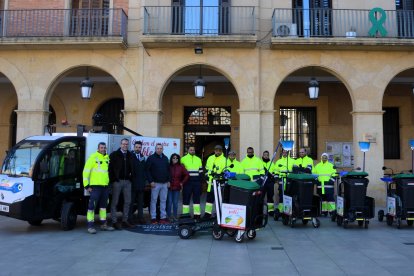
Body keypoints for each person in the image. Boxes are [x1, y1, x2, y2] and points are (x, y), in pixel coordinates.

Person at [82, 142, 114, 234]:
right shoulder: (93, 157)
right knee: (92, 207)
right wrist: (86, 185)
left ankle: (104, 224)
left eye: (104, 147)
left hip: (105, 187)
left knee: (104, 207)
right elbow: (85, 172)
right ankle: (90, 226)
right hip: (95, 187)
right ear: (98, 148)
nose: (103, 149)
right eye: (101, 147)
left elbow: (107, 173)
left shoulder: (107, 158)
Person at [109, 138, 135, 230]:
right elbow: (110, 169)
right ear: (120, 145)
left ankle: (125, 220)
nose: (125, 146)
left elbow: (133, 168)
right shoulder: (114, 155)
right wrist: (113, 180)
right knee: (114, 202)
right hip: (117, 181)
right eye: (123, 144)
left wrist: (131, 178)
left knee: (127, 201)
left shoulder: (130, 155)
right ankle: (114, 221)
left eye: (127, 144)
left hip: (128, 182)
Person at [146, 143, 171, 224]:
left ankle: (163, 217)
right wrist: (151, 181)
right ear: (155, 149)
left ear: (163, 149)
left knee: (163, 201)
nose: (159, 150)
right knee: (154, 201)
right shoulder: (151, 158)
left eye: (161, 148)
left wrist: (168, 181)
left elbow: (168, 171)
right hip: (155, 184)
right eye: (158, 148)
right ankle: (153, 217)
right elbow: (147, 170)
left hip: (164, 184)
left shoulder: (165, 158)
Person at [204, 145, 226, 219]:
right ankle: (207, 214)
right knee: (209, 200)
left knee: (219, 200)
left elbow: (225, 171)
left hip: (219, 183)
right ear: (214, 150)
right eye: (216, 150)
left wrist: (221, 177)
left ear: (222, 151)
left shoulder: (224, 159)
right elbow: (207, 169)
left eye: (219, 150)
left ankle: (218, 214)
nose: (218, 151)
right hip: (210, 183)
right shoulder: (210, 158)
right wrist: (207, 177)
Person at [180, 145, 203, 219]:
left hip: (197, 182)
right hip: (187, 182)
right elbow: (181, 172)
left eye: (193, 150)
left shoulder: (198, 159)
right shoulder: (183, 159)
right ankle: (185, 215)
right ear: (188, 150)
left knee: (197, 199)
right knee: (186, 199)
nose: (192, 151)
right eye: (191, 150)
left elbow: (201, 171)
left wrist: (200, 182)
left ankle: (197, 215)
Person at [167, 153, 189, 221]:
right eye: (173, 158)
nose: (175, 159)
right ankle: (169, 217)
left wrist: (182, 182)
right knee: (169, 202)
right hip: (169, 187)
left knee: (175, 203)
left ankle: (175, 216)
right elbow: (165, 174)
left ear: (178, 159)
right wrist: (167, 181)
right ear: (171, 159)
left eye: (176, 158)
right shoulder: (168, 166)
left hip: (177, 187)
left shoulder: (181, 166)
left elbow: (187, 175)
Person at [130, 141, 147, 225]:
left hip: (141, 184)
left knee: (140, 203)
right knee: (131, 202)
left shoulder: (142, 157)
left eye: (139, 147)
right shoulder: (130, 156)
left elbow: (144, 170)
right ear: (134, 147)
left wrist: (144, 181)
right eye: (136, 147)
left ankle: (141, 218)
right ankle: (130, 219)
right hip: (132, 184)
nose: (138, 149)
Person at [272, 148, 294, 214]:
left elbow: (295, 171)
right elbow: (275, 171)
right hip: (281, 181)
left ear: (288, 153)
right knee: (281, 196)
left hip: (290, 182)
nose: (284, 153)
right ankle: (281, 210)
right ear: (281, 153)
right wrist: (277, 179)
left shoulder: (293, 161)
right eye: (283, 152)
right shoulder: (278, 162)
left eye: (286, 152)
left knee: (289, 196)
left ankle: (289, 210)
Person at [260, 150, 276, 215]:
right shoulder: (260, 163)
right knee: (261, 196)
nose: (266, 156)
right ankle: (260, 211)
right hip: (263, 181)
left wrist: (273, 175)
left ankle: (270, 210)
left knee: (270, 196)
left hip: (270, 181)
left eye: (267, 155)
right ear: (262, 156)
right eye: (265, 155)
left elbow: (274, 172)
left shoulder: (272, 163)